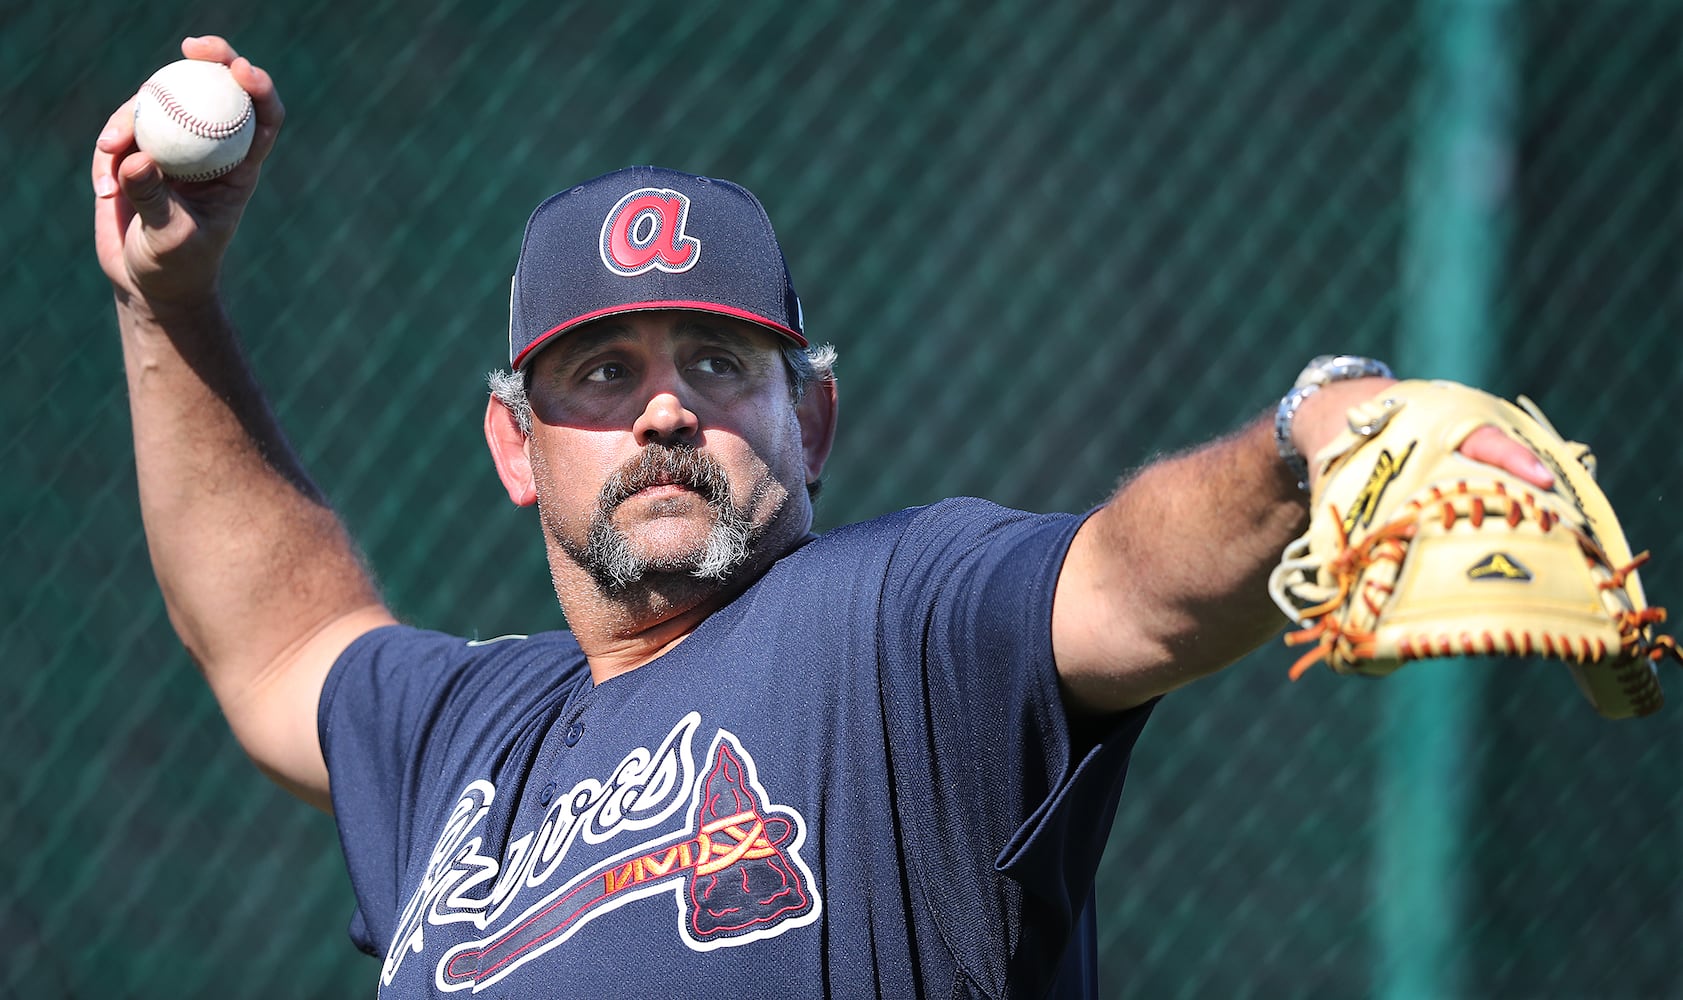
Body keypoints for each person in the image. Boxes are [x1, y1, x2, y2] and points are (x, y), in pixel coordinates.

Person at [92, 37, 1554, 998]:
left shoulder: (895, 632)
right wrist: (168, 304)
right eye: (603, 373)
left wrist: (1311, 444)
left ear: (817, 421)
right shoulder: (467, 739)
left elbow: (1132, 582)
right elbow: (274, 638)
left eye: (719, 366)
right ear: (516, 447)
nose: (665, 412)